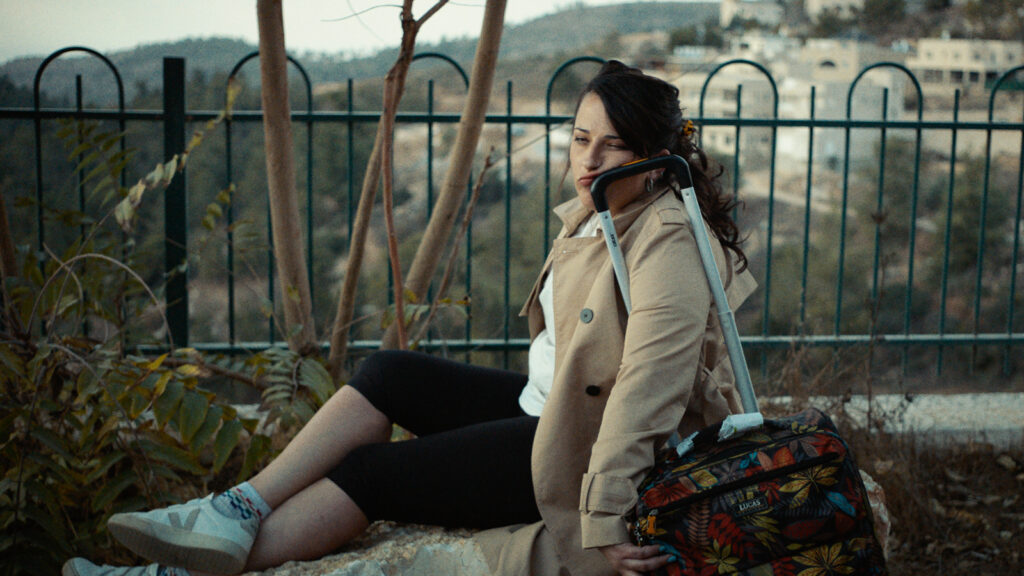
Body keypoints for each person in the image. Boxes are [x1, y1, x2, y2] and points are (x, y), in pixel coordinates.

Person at [63, 60, 755, 576]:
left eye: (613, 147)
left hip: (576, 450)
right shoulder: (608, 206)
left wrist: (604, 511)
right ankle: (234, 511)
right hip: (546, 409)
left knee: (373, 475)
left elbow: (649, 385)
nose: (588, 161)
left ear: (659, 159)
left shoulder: (668, 239)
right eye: (580, 140)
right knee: (388, 372)